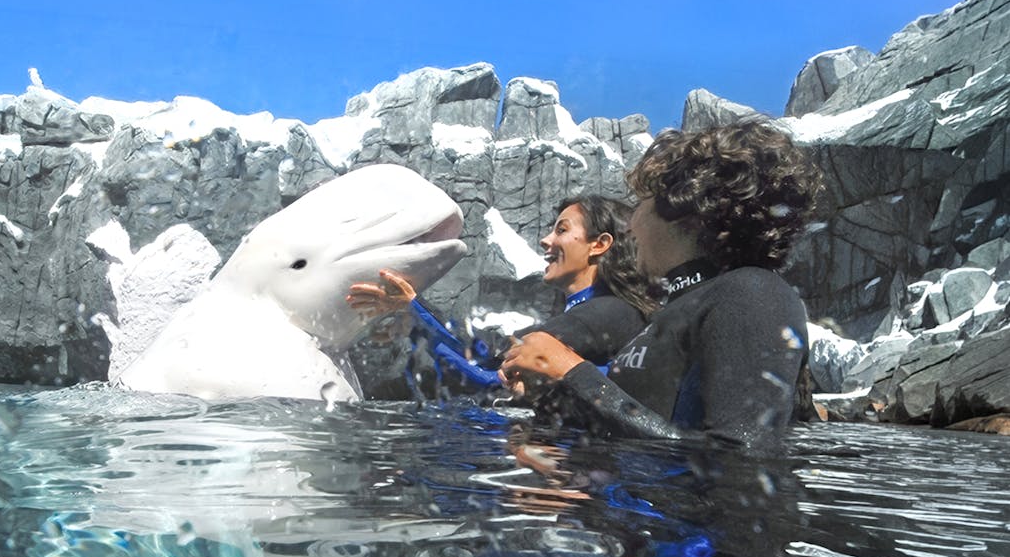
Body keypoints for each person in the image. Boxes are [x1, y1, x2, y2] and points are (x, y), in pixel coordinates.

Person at [500, 120, 822, 449]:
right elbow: (649, 424)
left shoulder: (751, 294)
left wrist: (572, 373)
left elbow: (739, 462)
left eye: (641, 203)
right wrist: (556, 394)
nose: (630, 226)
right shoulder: (679, 309)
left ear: (683, 210)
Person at [348, 195, 656, 388]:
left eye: (561, 230)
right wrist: (413, 311)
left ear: (599, 244)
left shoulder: (600, 315)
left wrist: (415, 312)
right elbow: (487, 359)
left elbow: (486, 375)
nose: (546, 240)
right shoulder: (606, 312)